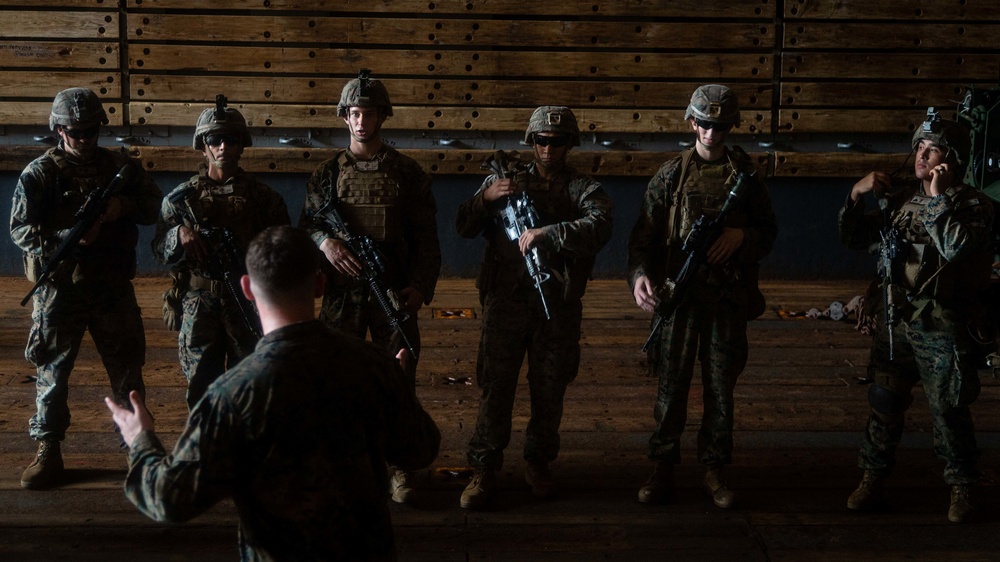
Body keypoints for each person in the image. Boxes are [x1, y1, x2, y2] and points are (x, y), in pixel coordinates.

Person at [106, 225, 441, 560]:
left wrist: (141, 440)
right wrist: (399, 389)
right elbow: (420, 450)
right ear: (320, 285)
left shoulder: (232, 394)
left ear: (248, 289)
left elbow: (169, 499)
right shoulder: (373, 367)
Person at [455, 106, 614, 509]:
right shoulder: (505, 181)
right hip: (505, 301)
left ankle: (538, 462)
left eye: (557, 142)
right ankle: (484, 468)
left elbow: (601, 225)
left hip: (555, 304)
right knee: (496, 387)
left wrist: (550, 233)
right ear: (531, 141)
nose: (548, 149)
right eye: (541, 141)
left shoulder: (581, 187)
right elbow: (463, 226)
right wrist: (485, 197)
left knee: (549, 388)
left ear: (569, 144)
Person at [627, 84, 777, 509]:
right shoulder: (671, 175)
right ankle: (662, 467)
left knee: (720, 390)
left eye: (721, 125)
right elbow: (644, 239)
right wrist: (640, 277)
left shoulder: (746, 177)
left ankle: (714, 468)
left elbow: (768, 232)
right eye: (705, 124)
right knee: (671, 389)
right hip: (679, 300)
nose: (712, 133)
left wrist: (741, 236)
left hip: (726, 300)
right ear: (692, 122)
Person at [839, 110, 992, 523]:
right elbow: (855, 239)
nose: (922, 155)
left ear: (952, 159)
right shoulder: (903, 197)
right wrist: (855, 195)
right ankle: (872, 478)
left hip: (942, 324)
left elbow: (957, 249)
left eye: (933, 148)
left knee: (948, 409)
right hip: (897, 321)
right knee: (884, 399)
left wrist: (940, 198)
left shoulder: (974, 205)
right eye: (919, 147)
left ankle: (962, 487)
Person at [10, 87, 163, 489]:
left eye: (92, 130)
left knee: (128, 371)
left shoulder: (119, 168)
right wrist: (66, 238)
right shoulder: (41, 173)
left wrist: (120, 208)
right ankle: (48, 448)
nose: (85, 139)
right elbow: (20, 230)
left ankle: (139, 446)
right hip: (61, 289)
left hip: (112, 286)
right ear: (59, 130)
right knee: (52, 374)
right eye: (76, 132)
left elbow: (155, 206)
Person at [299, 69, 441, 504]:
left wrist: (419, 287)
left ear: (383, 116)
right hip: (344, 294)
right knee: (335, 381)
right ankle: (341, 466)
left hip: (392, 292)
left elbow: (426, 240)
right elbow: (307, 225)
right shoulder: (326, 174)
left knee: (398, 379)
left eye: (370, 113)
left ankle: (399, 469)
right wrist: (326, 243)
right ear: (345, 117)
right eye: (355, 113)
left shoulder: (406, 172)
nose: (362, 121)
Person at [152, 96, 290, 409]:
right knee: (202, 391)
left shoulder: (263, 198)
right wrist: (179, 234)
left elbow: (283, 252)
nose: (223, 147)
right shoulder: (179, 200)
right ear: (203, 146)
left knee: (252, 389)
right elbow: (159, 249)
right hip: (201, 306)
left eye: (231, 139)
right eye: (215, 140)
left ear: (242, 145)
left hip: (248, 304)